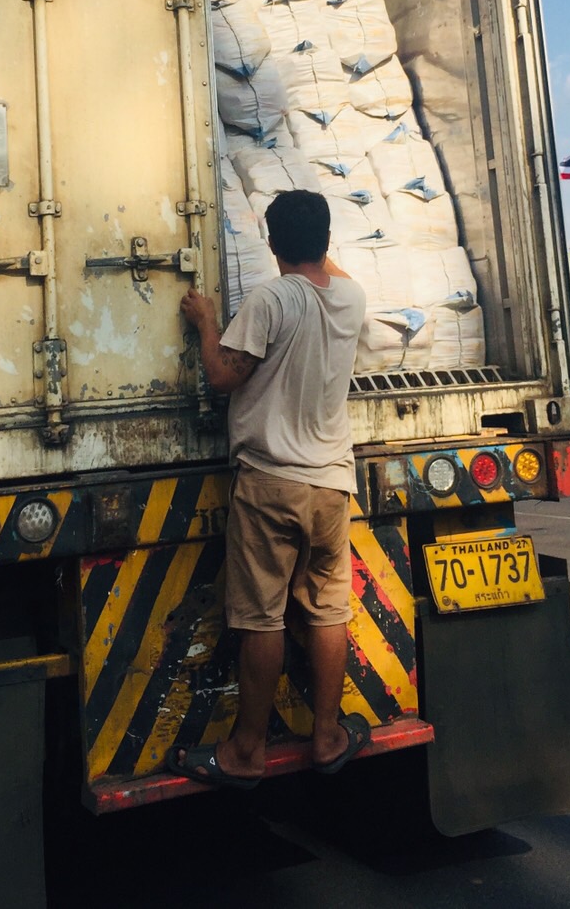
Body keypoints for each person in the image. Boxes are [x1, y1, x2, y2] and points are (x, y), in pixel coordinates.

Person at [166, 188, 370, 788]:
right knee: (329, 610)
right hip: (331, 484)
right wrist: (312, 241)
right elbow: (326, 269)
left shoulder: (271, 299)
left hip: (272, 483)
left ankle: (246, 752)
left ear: (272, 243)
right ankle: (327, 735)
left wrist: (207, 322)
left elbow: (223, 375)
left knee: (261, 618)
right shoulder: (352, 298)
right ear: (327, 240)